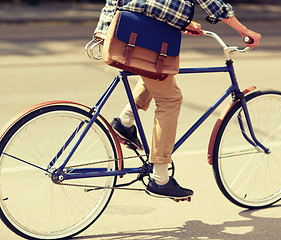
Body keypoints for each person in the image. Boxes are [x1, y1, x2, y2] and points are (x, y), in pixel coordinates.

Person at [93, 0, 261, 200]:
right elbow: (213, 5)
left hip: (124, 28)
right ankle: (160, 179)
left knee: (159, 72)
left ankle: (125, 122)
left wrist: (182, 22)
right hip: (143, 33)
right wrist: (244, 31)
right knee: (170, 99)